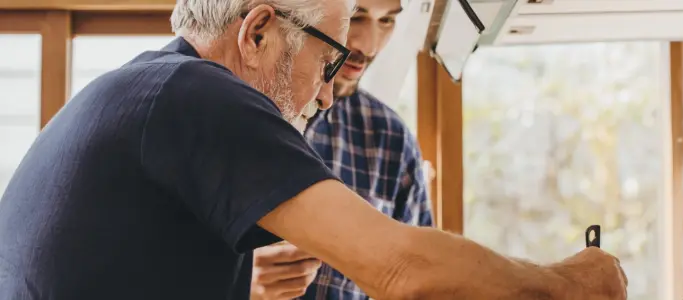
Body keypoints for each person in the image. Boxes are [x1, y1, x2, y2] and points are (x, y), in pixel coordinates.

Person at [0, 0, 628, 299]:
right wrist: (570, 283)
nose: (329, 97)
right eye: (329, 62)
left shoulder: (148, 87)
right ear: (259, 32)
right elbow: (400, 268)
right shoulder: (198, 96)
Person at [249, 0, 433, 299]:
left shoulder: (392, 139)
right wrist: (232, 281)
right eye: (355, 16)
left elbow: (421, 283)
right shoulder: (226, 117)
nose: (370, 46)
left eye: (386, 21)